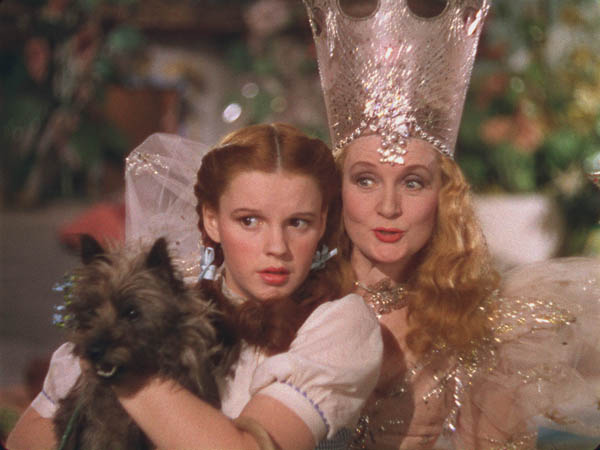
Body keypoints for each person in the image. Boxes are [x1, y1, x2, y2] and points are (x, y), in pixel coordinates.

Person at [303, 0, 600, 448]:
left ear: (443, 196)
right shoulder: (295, 302)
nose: (388, 206)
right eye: (366, 180)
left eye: (413, 183)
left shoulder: (476, 324)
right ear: (336, 189)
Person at [7, 123, 383, 450]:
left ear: (322, 224)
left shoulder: (341, 325)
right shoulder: (154, 304)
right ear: (212, 220)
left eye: (298, 223)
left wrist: (117, 361)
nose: (277, 247)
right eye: (249, 221)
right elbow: (25, 440)